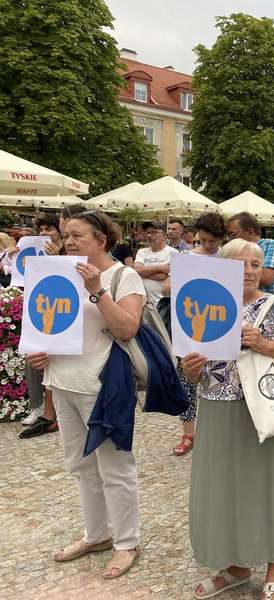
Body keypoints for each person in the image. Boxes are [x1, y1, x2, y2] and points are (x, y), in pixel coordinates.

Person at [181, 238, 274, 600]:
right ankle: (236, 565)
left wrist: (263, 344)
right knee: (222, 486)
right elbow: (192, 368)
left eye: (256, 264)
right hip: (216, 406)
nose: (251, 271)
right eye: (242, 264)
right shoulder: (205, 305)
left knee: (267, 484)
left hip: (263, 408)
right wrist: (190, 369)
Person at [28, 210, 146, 579]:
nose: (69, 241)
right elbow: (49, 323)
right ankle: (97, 534)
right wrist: (39, 350)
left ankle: (127, 542)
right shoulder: (59, 273)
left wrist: (97, 290)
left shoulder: (123, 276)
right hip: (62, 381)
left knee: (115, 467)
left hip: (103, 386)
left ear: (101, 240)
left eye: (77, 235)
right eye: (67, 235)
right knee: (81, 466)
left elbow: (127, 328)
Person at [168, 212, 226, 457]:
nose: (208, 245)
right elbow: (167, 288)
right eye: (203, 240)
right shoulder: (186, 257)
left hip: (220, 323)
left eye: (213, 241)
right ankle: (188, 433)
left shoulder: (228, 258)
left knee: (220, 378)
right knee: (187, 379)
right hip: (190, 323)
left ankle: (216, 431)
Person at [18, 214, 64, 438]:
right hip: (41, 308)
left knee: (52, 362)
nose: (45, 233)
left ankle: (51, 414)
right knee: (35, 358)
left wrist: (54, 260)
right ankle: (40, 409)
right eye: (42, 229)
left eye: (49, 228)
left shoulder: (67, 252)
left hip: (61, 311)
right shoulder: (37, 251)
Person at [227, 212, 274, 297]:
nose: (229, 239)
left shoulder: (270, 245)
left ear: (250, 232)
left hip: (269, 304)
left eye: (232, 234)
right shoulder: (235, 250)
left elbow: (266, 277)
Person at [133, 222, 177, 309]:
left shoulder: (173, 253)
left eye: (154, 232)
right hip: (143, 304)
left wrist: (143, 273)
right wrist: (161, 268)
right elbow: (136, 271)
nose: (149, 235)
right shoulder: (142, 252)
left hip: (163, 305)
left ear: (164, 236)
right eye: (147, 233)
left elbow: (166, 277)